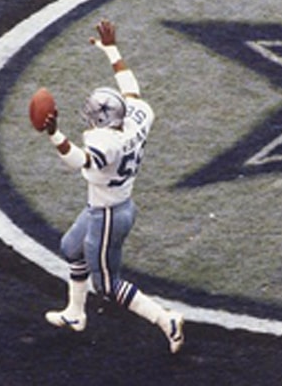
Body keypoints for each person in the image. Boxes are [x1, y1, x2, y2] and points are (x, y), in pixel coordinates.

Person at [40, 19, 184, 354]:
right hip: (108, 206)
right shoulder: (136, 116)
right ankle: (76, 313)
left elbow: (78, 160)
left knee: (106, 284)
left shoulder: (105, 145)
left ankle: (166, 320)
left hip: (109, 214)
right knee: (70, 248)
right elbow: (131, 88)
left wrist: (54, 135)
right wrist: (111, 51)